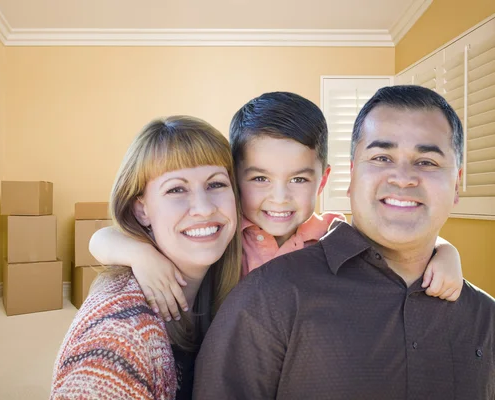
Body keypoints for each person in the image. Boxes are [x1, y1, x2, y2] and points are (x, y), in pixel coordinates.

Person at [193, 85, 495, 399]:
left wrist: (446, 250)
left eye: (427, 162)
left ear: (456, 184)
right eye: (381, 157)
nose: (403, 178)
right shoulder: (259, 286)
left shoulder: (485, 318)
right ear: (351, 177)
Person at [89, 91, 463, 324]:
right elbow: (102, 239)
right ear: (234, 178)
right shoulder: (223, 235)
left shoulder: (334, 233)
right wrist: (141, 256)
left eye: (298, 180)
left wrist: (446, 252)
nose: (280, 199)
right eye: (260, 179)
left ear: (323, 179)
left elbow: (394, 247)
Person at [50, 116, 242, 399]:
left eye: (216, 184)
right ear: (142, 210)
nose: (203, 208)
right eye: (176, 189)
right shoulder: (120, 334)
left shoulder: (234, 270)